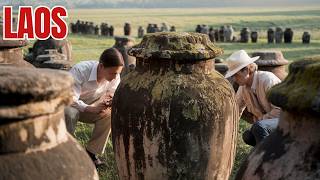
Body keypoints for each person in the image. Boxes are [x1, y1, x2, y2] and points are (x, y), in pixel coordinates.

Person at [64, 48, 124, 166]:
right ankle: (65, 151)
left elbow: (112, 92)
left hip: (92, 106)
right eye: (112, 73)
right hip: (68, 105)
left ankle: (91, 154)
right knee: (71, 113)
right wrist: (90, 108)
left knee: (109, 114)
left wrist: (109, 101)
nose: (115, 77)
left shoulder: (115, 76)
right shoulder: (80, 70)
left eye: (117, 73)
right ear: (101, 66)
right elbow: (69, 97)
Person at [225, 50, 281, 146]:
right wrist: (228, 128)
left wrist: (261, 120)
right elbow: (236, 109)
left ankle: (266, 159)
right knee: (248, 136)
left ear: (246, 70)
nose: (234, 79)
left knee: (259, 127)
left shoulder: (267, 80)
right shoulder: (243, 88)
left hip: (285, 120)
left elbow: (281, 110)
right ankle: (271, 153)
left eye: (236, 75)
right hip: (266, 124)